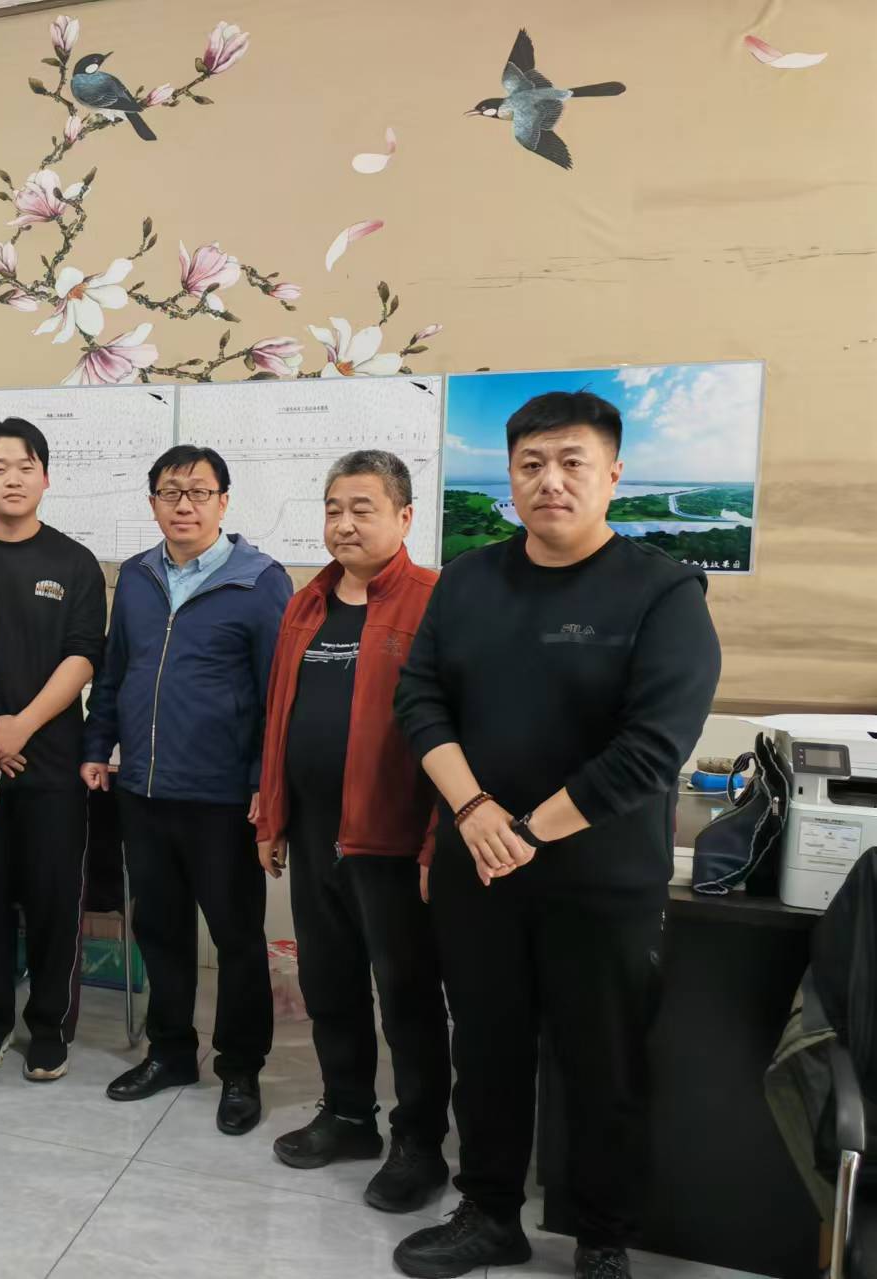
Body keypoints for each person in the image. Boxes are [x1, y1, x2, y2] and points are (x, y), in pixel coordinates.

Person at [392, 392, 721, 1279]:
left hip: (601, 880)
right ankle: (489, 1211)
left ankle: (602, 1237)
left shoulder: (663, 591)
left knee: (601, 1063)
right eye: (532, 464)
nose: (552, 481)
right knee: (486, 1049)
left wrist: (528, 829)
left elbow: (652, 748)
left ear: (614, 474)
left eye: (573, 462)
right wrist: (473, 811)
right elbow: (418, 698)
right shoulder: (468, 580)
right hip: (480, 866)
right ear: (509, 476)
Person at [252, 450, 450, 1212]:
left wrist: (436, 841)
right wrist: (272, 813)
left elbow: (454, 731)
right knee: (328, 983)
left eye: (363, 508)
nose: (344, 523)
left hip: (392, 841)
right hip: (314, 832)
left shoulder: (433, 600)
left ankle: (419, 1141)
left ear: (405, 516)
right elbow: (280, 715)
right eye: (334, 508)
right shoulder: (307, 603)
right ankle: (348, 1113)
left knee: (406, 997)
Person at [82, 445, 292, 1136]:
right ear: (152, 502)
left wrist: (264, 783)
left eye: (200, 492)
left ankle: (240, 1068)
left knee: (235, 937)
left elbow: (277, 697)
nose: (184, 505)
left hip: (223, 798)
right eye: (170, 492)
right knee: (161, 930)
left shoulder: (260, 582)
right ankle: (170, 1052)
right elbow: (114, 671)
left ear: (224, 501)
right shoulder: (137, 577)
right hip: (143, 788)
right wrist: (97, 746)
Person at [0, 418, 107, 1082]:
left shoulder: (75, 562)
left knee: (53, 904)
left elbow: (83, 656)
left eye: (26, 466)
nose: (13, 478)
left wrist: (21, 727)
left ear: (46, 477)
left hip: (53, 766)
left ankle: (49, 1026)